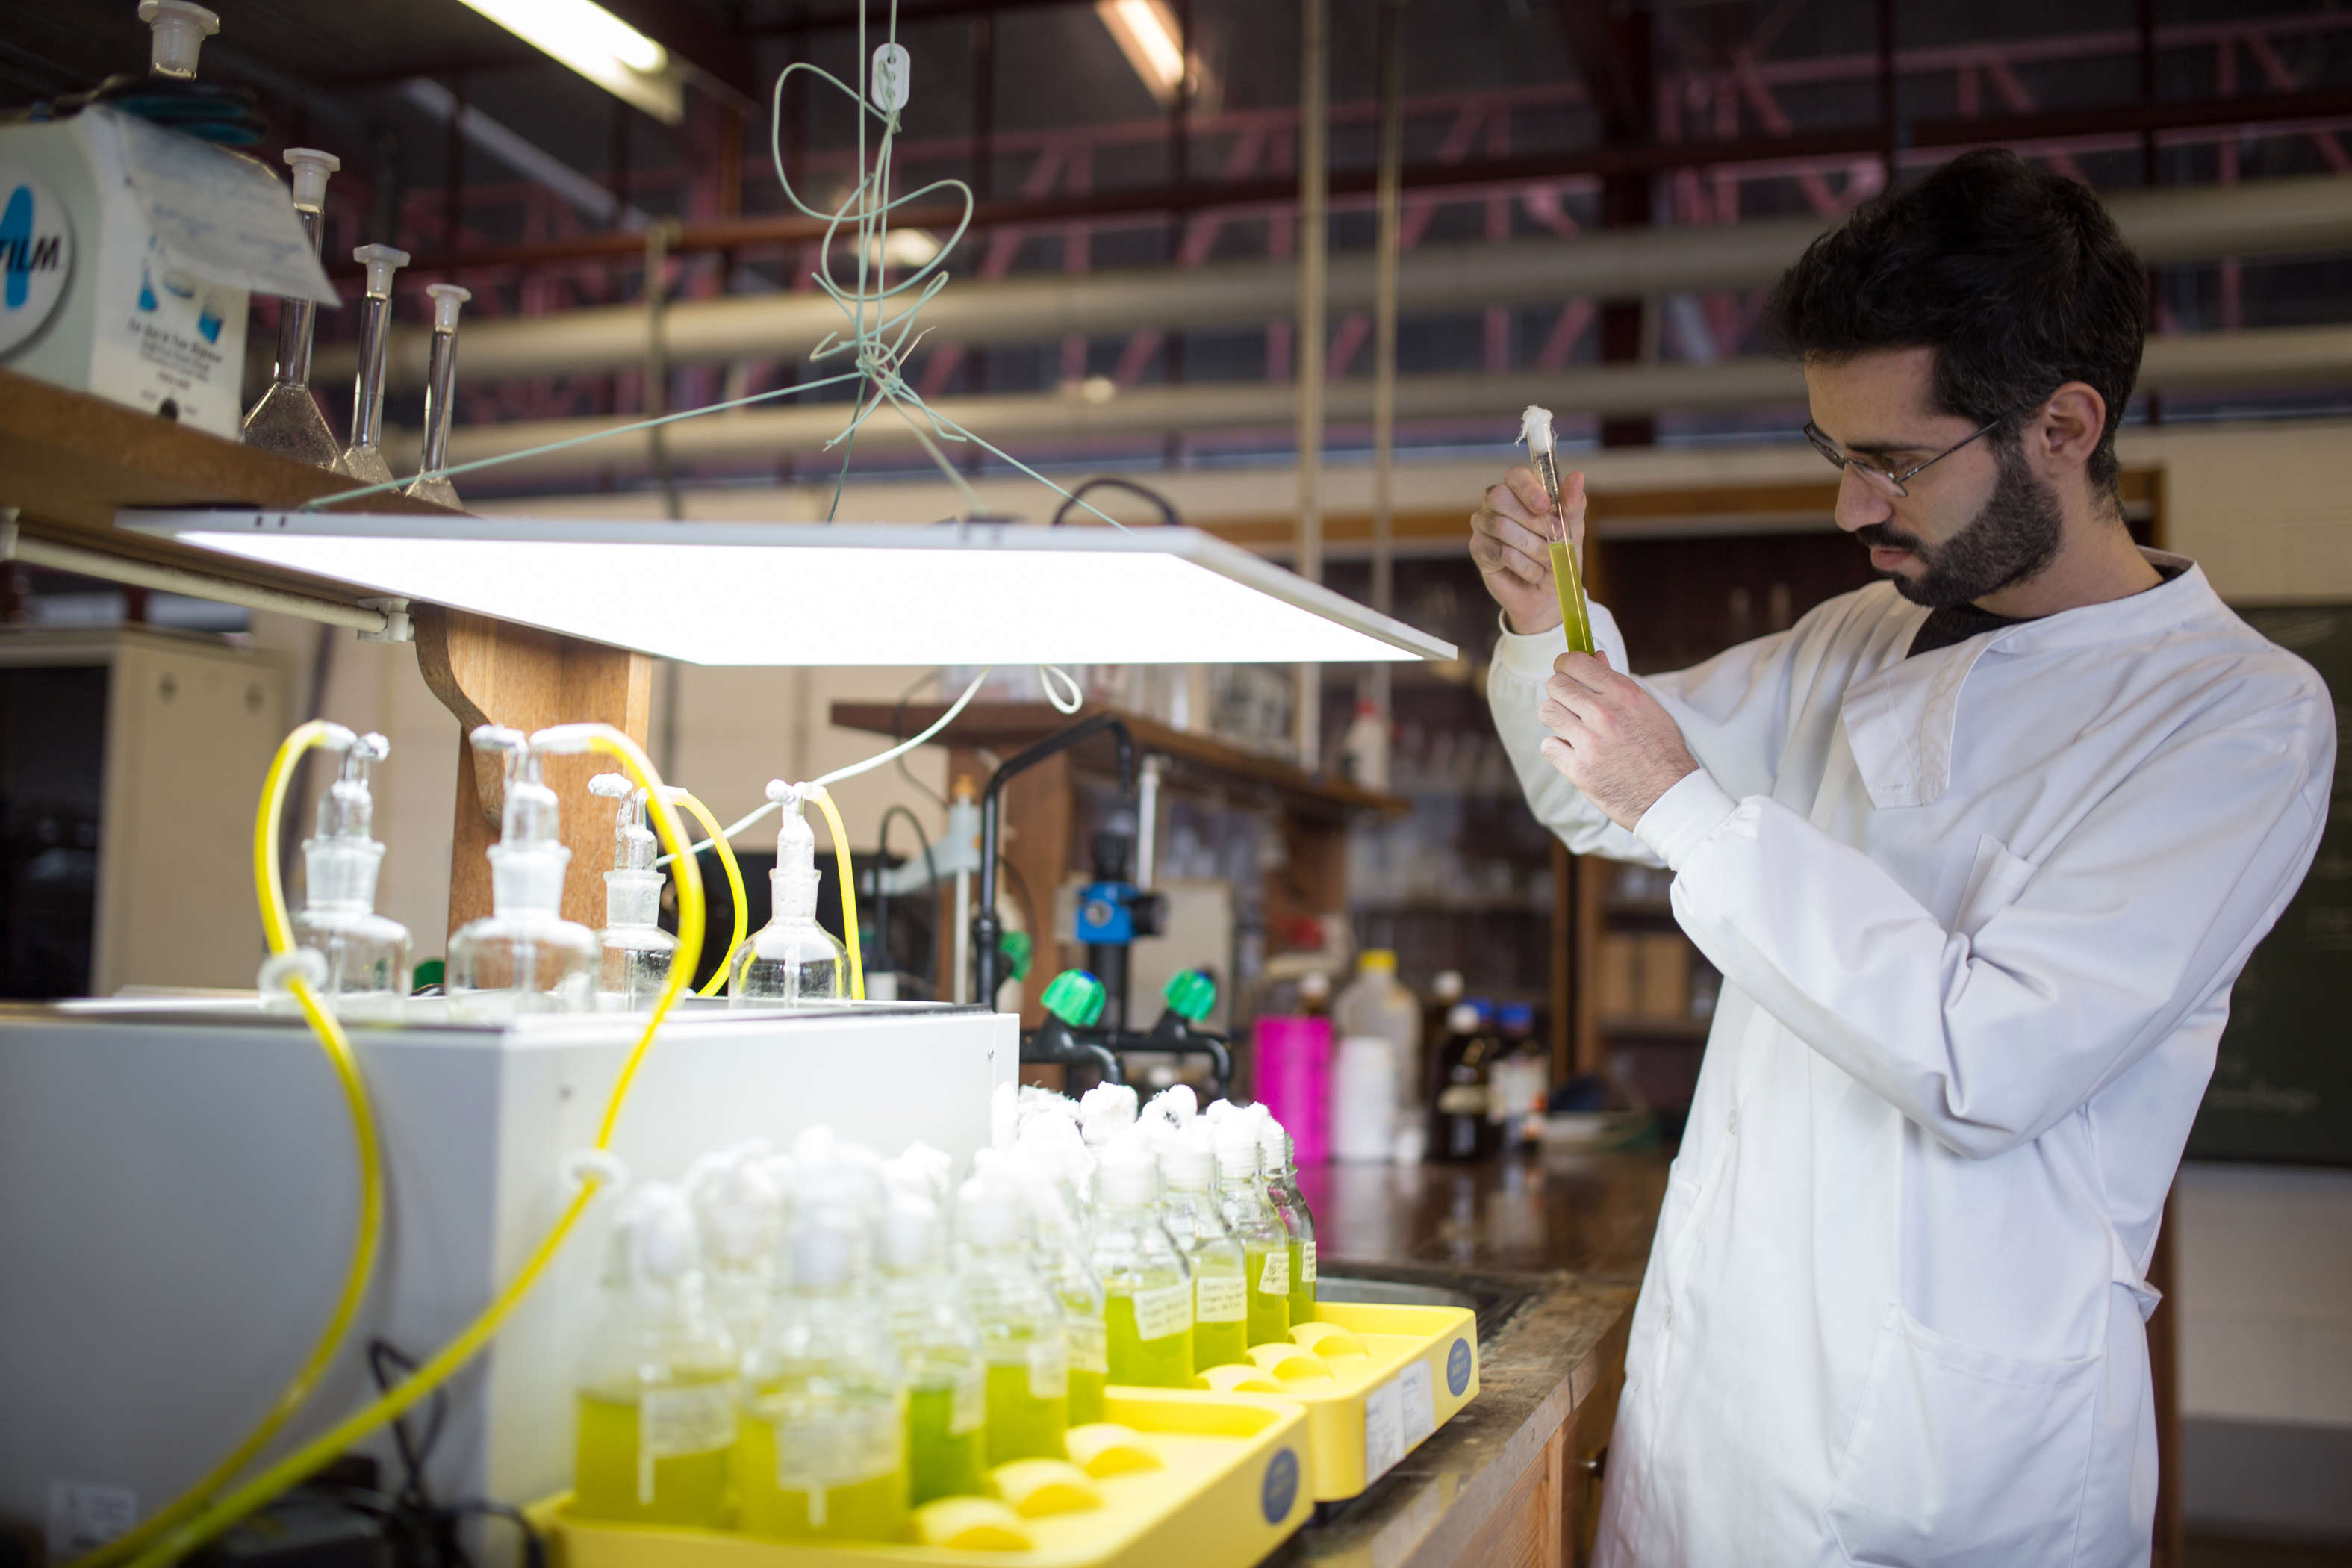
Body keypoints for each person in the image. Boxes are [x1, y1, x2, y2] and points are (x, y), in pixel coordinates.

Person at [1473, 149, 2334, 1568]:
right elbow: (1596, 797)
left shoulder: (2231, 715)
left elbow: (1986, 1057)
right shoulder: (1857, 637)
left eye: (1891, 462)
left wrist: (1686, 805)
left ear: (2063, 424)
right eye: (1838, 457)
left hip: (1944, 1467)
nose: (1850, 510)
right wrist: (1540, 616)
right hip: (1717, 1411)